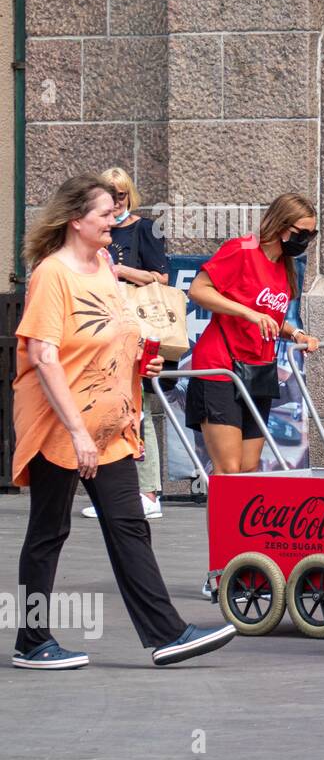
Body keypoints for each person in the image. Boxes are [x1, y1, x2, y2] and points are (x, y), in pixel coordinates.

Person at [11, 174, 236, 669]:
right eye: (104, 214)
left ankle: (167, 633)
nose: (115, 218)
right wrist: (74, 431)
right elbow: (45, 355)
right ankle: (31, 640)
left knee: (130, 525)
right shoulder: (53, 274)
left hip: (110, 428)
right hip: (60, 425)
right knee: (49, 530)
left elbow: (110, 333)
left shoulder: (106, 265)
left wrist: (141, 360)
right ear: (76, 221)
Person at [185, 193, 320, 475]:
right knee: (229, 469)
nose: (305, 240)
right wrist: (247, 312)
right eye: (301, 233)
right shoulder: (243, 249)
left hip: (258, 370)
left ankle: (234, 520)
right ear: (281, 225)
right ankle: (222, 520)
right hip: (221, 367)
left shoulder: (285, 265)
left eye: (311, 234)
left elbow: (268, 319)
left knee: (248, 468)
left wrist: (296, 333)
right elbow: (198, 290)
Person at [81, 167, 169, 521]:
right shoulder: (93, 233)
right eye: (109, 194)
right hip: (102, 328)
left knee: (140, 408)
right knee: (109, 406)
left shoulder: (142, 228)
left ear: (129, 194)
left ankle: (148, 491)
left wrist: (119, 272)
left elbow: (161, 276)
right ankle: (118, 493)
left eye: (120, 194)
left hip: (136, 326)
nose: (115, 201)